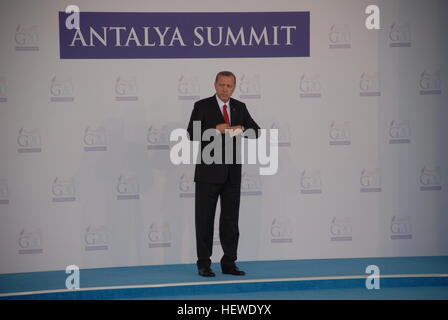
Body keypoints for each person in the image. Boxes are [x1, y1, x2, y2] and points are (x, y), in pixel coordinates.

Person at [187, 71, 260, 277]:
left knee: (230, 222)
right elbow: (191, 134)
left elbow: (256, 131)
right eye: (221, 85)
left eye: (229, 85)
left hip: (232, 175)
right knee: (204, 221)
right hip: (207, 174)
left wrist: (241, 128)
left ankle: (229, 263)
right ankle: (204, 264)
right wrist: (213, 129)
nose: (225, 89)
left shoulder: (240, 107)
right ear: (215, 85)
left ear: (234, 87)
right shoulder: (202, 106)